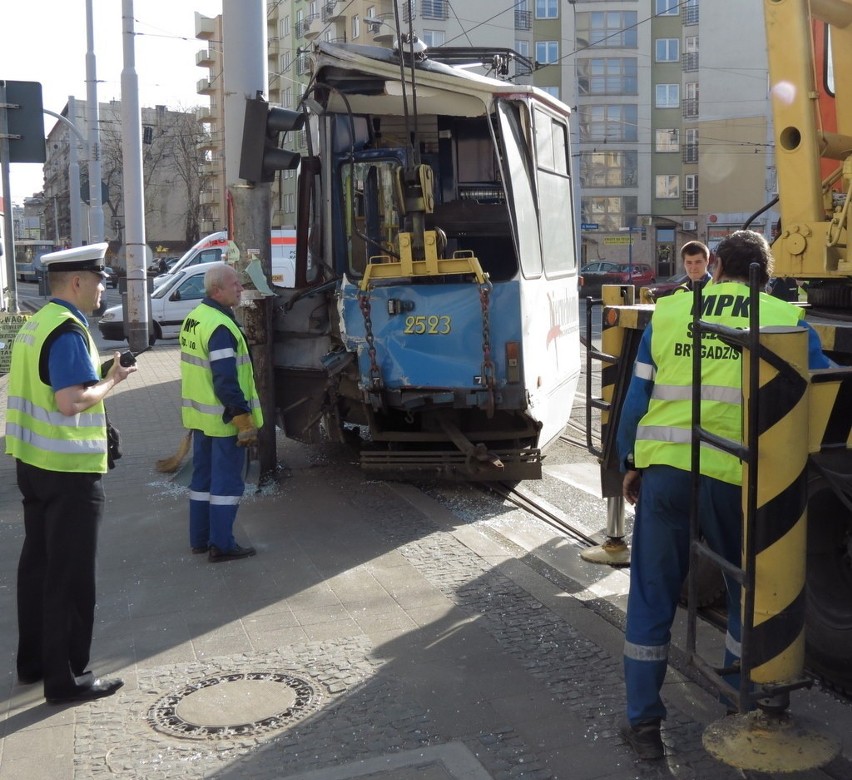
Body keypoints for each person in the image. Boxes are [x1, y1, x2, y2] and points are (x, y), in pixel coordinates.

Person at [616, 230, 831, 760]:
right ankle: (742, 701)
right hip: (742, 481)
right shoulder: (784, 318)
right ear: (767, 271)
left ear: (715, 267)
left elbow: (637, 395)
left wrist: (629, 461)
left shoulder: (669, 314)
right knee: (746, 595)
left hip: (666, 473)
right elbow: (823, 394)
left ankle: (643, 723)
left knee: (651, 593)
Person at [5, 243, 136, 705]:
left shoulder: (36, 324)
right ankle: (68, 679)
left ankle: (34, 664)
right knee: (71, 576)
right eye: (100, 280)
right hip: (68, 471)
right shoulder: (68, 330)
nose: (104, 288)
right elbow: (70, 400)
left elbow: (51, 384)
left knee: (37, 567)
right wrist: (113, 381)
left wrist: (97, 373)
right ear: (77, 281)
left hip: (33, 465)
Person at [180, 263, 263, 562]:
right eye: (235, 284)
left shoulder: (195, 318)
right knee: (227, 483)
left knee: (202, 480)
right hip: (225, 420)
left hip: (201, 419)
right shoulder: (220, 327)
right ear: (217, 290)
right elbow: (225, 379)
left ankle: (199, 540)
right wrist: (242, 418)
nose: (240, 288)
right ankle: (222, 545)